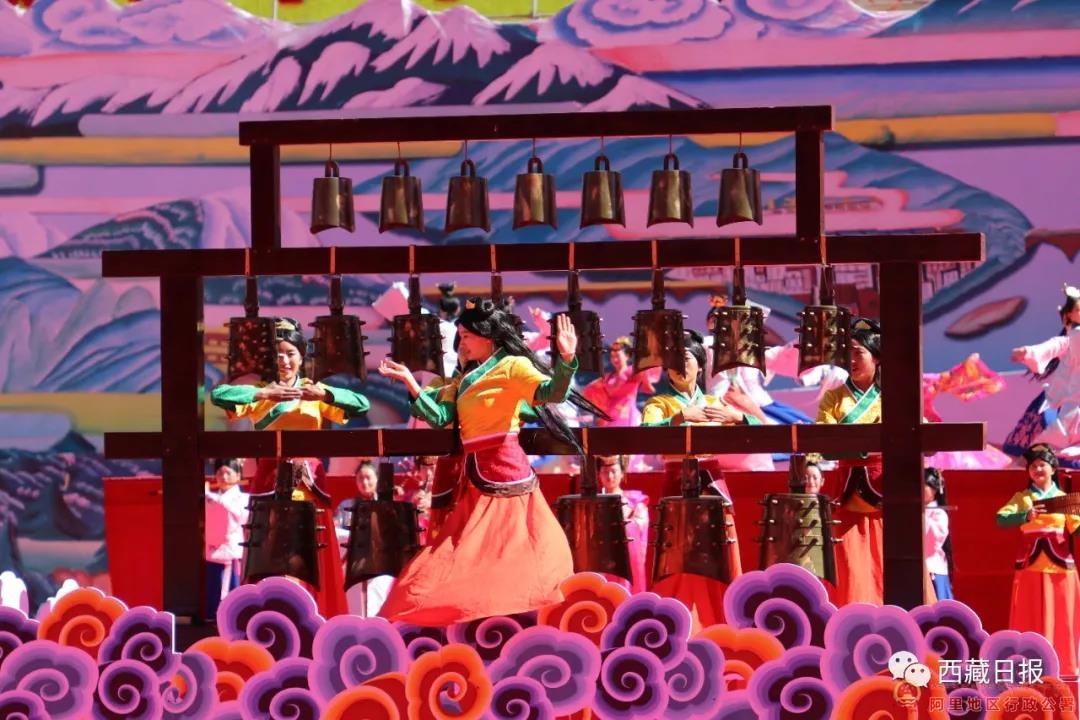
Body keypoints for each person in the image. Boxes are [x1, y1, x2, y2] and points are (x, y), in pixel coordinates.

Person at [376, 298, 603, 625]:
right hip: (473, 478)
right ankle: (457, 617)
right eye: (460, 336)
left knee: (517, 553)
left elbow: (552, 393)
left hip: (505, 474)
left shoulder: (512, 366)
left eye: (467, 336)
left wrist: (567, 360)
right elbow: (439, 417)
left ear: (488, 336)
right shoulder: (463, 378)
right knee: (454, 555)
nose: (462, 343)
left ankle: (514, 617)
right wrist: (410, 382)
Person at [210, 317, 370, 617]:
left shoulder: (313, 391)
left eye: (290, 353)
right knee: (270, 555)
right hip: (270, 484)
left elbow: (361, 404)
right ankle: (271, 614)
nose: (284, 360)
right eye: (278, 354)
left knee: (310, 554)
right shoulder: (260, 392)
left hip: (308, 485)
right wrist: (264, 394)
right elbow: (219, 395)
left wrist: (326, 395)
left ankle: (314, 614)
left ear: (301, 357)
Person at [640, 329, 762, 629]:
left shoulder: (713, 402)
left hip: (713, 486)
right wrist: (680, 417)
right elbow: (645, 436)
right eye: (673, 361)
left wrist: (738, 418)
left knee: (721, 558)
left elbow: (761, 431)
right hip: (676, 485)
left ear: (699, 364)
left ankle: (723, 623)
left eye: (685, 358)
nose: (679, 366)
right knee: (675, 558)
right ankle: (676, 625)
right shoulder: (658, 404)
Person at [816, 317, 885, 606]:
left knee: (888, 560)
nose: (851, 360)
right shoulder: (833, 398)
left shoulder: (896, 397)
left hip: (886, 487)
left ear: (877, 357)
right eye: (847, 354)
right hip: (845, 491)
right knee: (849, 563)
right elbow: (824, 438)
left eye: (858, 353)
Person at [996, 443, 1080, 677]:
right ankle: (1029, 664)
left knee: (1063, 617)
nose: (1037, 470)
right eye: (1032, 466)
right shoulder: (1022, 498)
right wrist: (1025, 516)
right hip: (1030, 566)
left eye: (1042, 465)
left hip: (1060, 567)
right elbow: (1001, 519)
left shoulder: (1065, 499)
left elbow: (1076, 529)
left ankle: (1065, 665)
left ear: (1053, 468)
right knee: (1028, 615)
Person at [1007, 285, 1080, 468]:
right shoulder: (1071, 338)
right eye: (1079, 310)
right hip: (1068, 397)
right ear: (1069, 315)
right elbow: (1053, 346)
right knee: (1051, 436)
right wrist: (1027, 352)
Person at [597, 455, 649, 594]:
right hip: (602, 559)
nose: (609, 476)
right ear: (599, 474)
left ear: (622, 473)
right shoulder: (595, 503)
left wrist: (624, 526)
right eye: (605, 472)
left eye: (614, 471)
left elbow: (640, 528)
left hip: (627, 560)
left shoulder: (635, 501)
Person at [204, 458, 249, 621]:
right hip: (211, 553)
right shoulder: (211, 497)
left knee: (230, 600)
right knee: (212, 598)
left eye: (228, 473)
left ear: (238, 475)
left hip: (231, 554)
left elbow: (235, 514)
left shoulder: (244, 498)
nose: (223, 477)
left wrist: (211, 498)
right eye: (219, 473)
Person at [924, 467, 954, 601]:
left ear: (935, 490)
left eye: (923, 486)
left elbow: (930, 545)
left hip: (932, 570)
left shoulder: (938, 514)